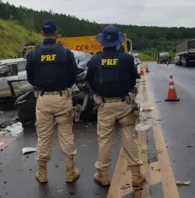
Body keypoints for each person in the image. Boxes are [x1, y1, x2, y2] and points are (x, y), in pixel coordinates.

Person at [86, 25, 145, 188]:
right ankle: (136, 175)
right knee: (128, 137)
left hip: (105, 105)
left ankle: (103, 175)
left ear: (103, 41)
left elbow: (89, 80)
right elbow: (134, 79)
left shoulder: (95, 59)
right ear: (118, 41)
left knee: (104, 140)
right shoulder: (126, 58)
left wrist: (97, 94)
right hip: (124, 103)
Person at [26, 20, 80, 184]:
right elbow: (74, 75)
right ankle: (70, 172)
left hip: (43, 99)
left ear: (42, 33)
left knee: (43, 137)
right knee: (66, 135)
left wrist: (39, 85)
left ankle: (42, 173)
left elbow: (30, 76)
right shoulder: (65, 52)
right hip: (62, 98)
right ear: (56, 32)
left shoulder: (34, 53)